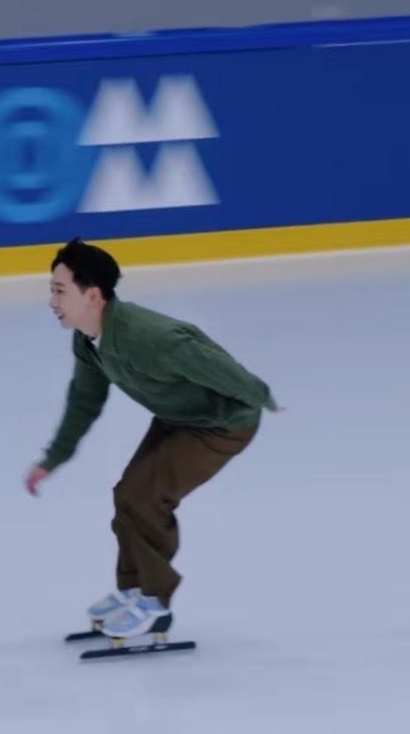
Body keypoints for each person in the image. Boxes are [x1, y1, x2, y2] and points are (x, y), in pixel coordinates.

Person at [24, 239, 280, 638]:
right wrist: (53, 458)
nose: (51, 301)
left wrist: (262, 397)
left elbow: (218, 367)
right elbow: (84, 401)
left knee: (146, 499)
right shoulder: (88, 341)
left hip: (222, 424)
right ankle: (133, 591)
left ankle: (155, 603)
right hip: (177, 418)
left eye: (60, 290)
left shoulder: (149, 338)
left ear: (92, 295)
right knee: (128, 495)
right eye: (51, 290)